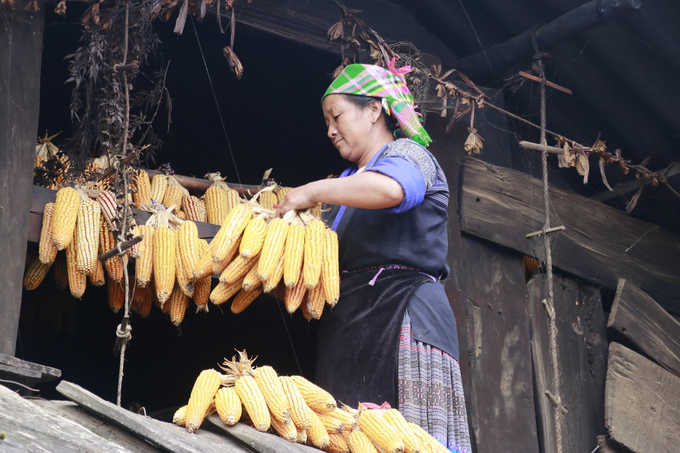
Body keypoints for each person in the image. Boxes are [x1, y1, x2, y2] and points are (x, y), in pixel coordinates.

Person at [274, 63, 471, 453]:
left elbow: (392, 190)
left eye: (337, 116)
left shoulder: (408, 155)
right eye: (326, 121)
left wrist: (312, 191)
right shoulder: (345, 184)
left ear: (373, 110)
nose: (330, 130)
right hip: (347, 329)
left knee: (409, 442)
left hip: (401, 314)